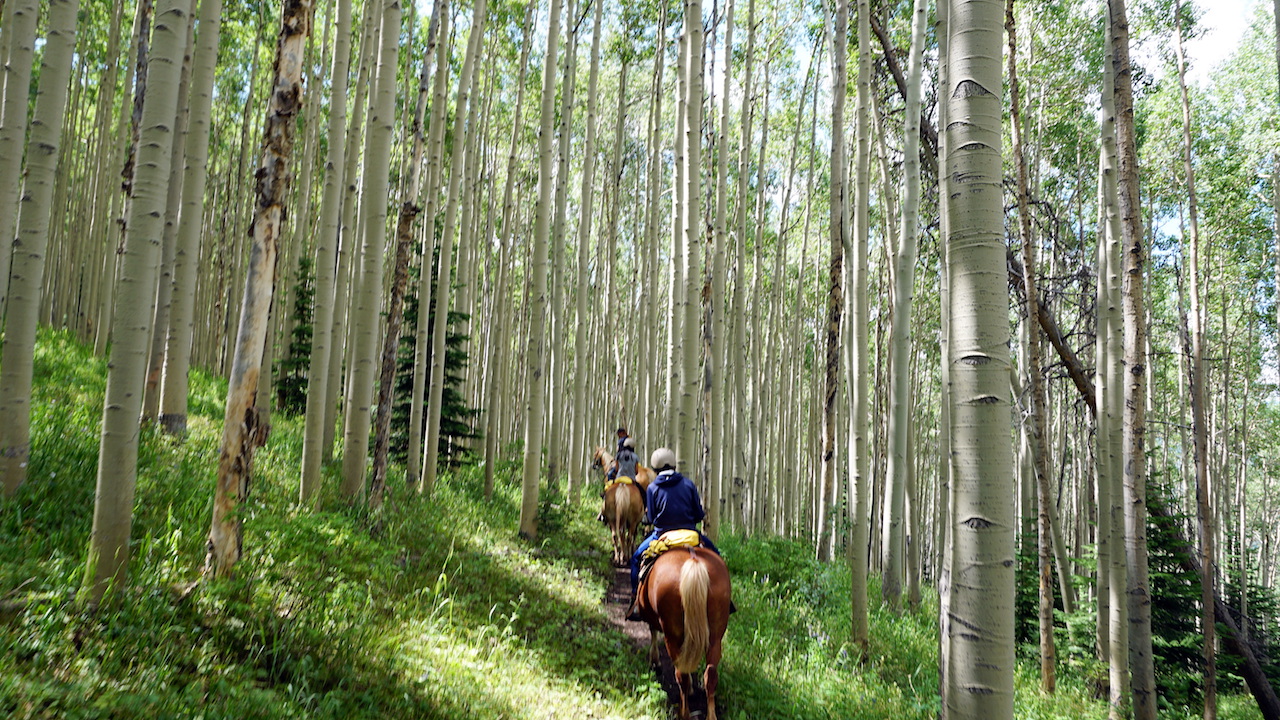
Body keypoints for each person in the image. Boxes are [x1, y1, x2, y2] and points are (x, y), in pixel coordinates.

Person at [626, 447, 723, 621]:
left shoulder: (653, 487)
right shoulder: (688, 484)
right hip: (690, 533)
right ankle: (724, 599)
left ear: (655, 467)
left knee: (635, 558)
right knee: (717, 556)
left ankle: (635, 601)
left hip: (662, 535)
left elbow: (651, 518)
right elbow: (699, 514)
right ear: (673, 463)